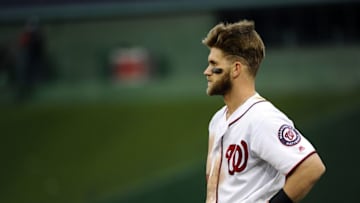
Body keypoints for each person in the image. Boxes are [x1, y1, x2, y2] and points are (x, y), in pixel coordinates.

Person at [202, 20, 325, 203]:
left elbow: (311, 167)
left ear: (236, 69)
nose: (207, 71)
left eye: (214, 64)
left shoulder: (262, 118)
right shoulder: (218, 120)